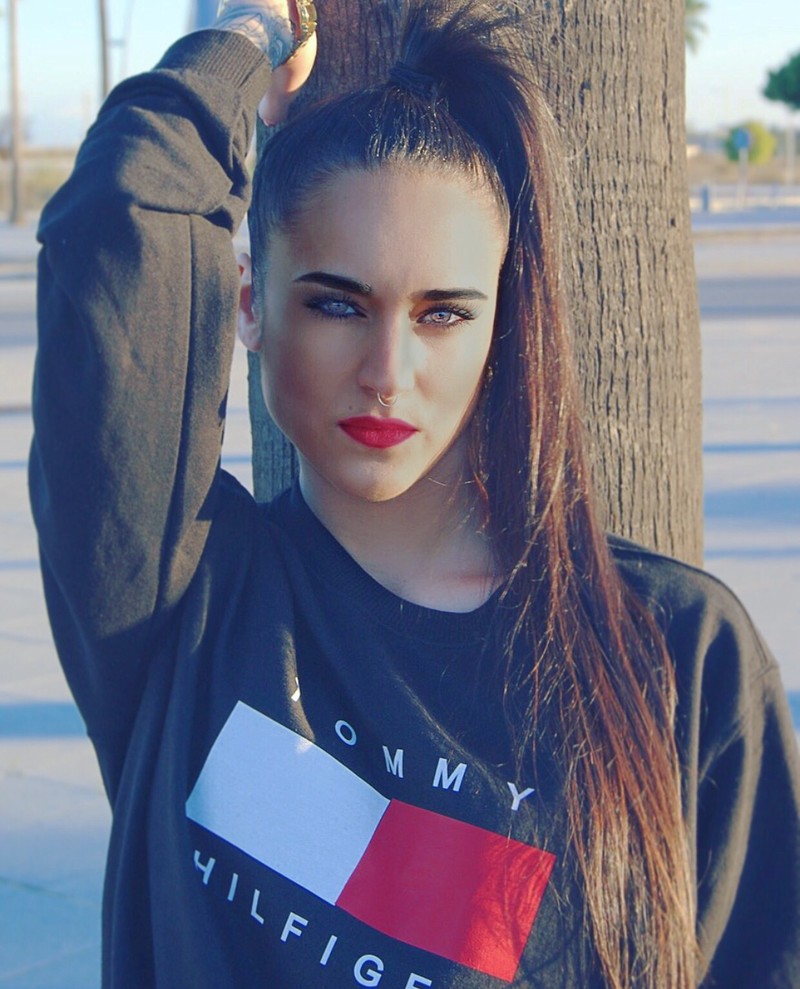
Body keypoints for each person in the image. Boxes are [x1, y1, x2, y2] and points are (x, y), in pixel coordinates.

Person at [29, 0, 799, 987]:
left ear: (498, 327)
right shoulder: (182, 600)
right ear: (250, 304)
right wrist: (251, 30)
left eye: (442, 314)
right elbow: (120, 218)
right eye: (337, 303)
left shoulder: (676, 647)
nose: (387, 371)